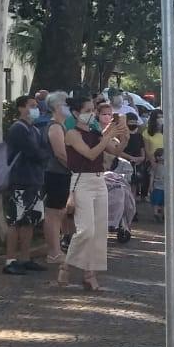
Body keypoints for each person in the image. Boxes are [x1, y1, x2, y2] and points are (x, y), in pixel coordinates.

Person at [57, 96, 128, 292]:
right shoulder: (72, 134)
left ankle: (90, 274)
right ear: (77, 113)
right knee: (86, 229)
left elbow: (114, 150)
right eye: (87, 110)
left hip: (99, 180)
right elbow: (90, 153)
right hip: (81, 181)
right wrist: (107, 135)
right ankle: (66, 265)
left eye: (92, 110)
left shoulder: (97, 131)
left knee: (98, 231)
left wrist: (123, 134)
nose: (91, 114)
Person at [3, 96, 51, 275]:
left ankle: (24, 257)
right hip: (20, 180)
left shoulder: (34, 130)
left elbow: (42, 150)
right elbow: (35, 152)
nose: (35, 109)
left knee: (29, 221)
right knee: (16, 221)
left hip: (34, 180)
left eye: (36, 106)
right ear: (21, 108)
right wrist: (43, 153)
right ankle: (10, 260)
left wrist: (43, 153)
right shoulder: (18, 129)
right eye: (31, 106)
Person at [40, 91, 73, 265]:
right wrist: (75, 168)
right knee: (53, 213)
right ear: (58, 106)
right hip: (56, 174)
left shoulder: (61, 125)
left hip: (61, 174)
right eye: (67, 104)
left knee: (59, 213)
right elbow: (60, 153)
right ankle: (53, 252)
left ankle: (56, 250)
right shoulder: (55, 127)